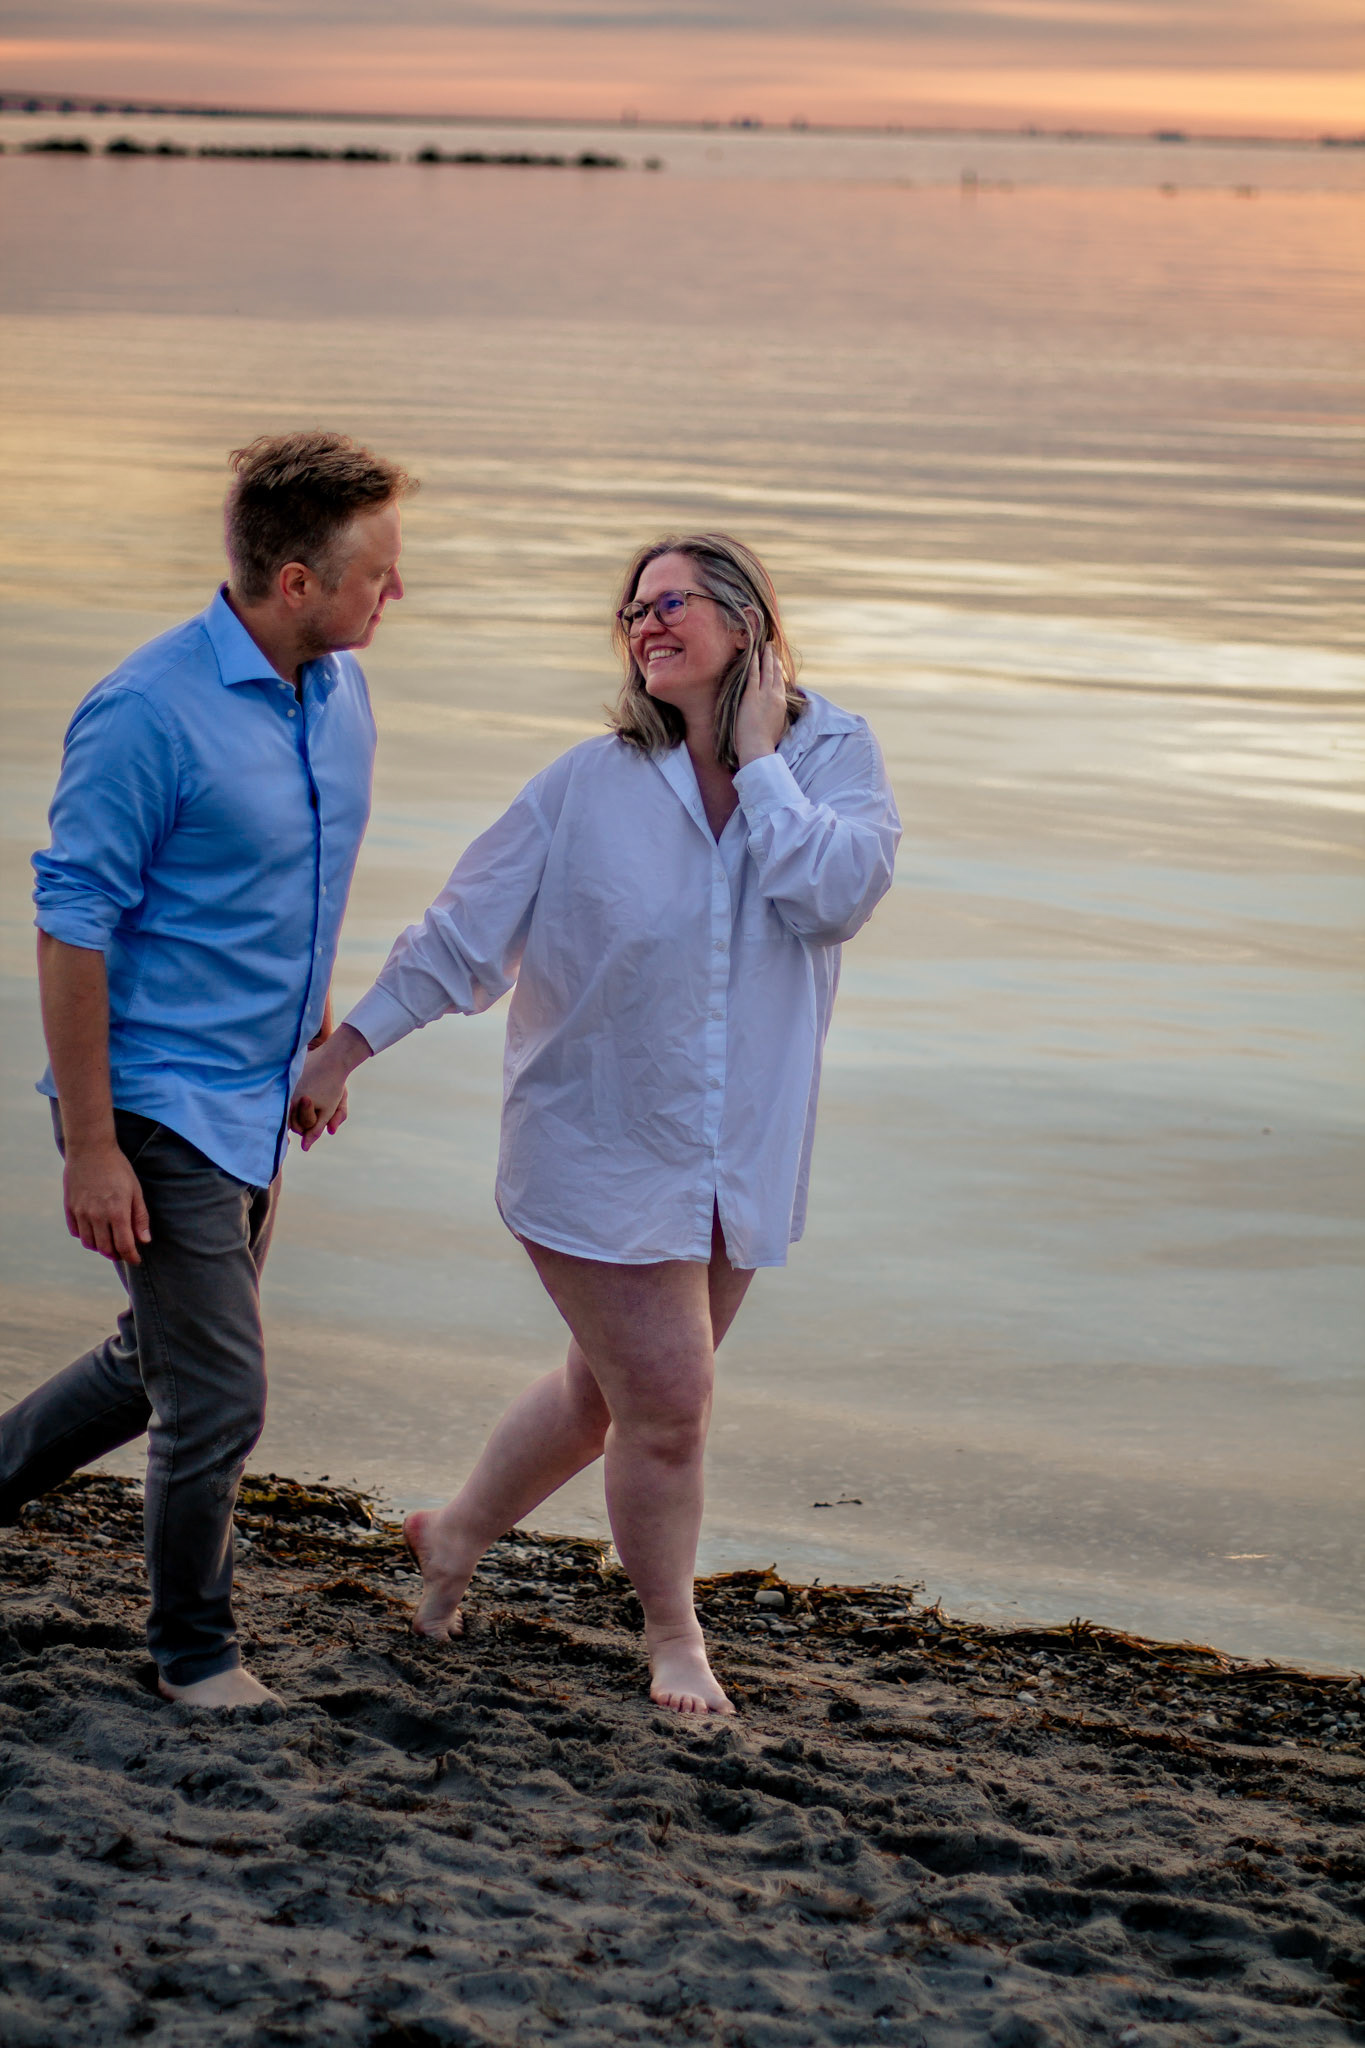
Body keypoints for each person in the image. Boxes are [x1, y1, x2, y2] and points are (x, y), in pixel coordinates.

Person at [295, 533, 900, 1716]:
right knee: (669, 1403)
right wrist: (344, 1050)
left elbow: (831, 896)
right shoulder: (588, 781)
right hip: (595, 1138)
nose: (645, 624)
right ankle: (675, 1637)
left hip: (738, 1150)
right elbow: (463, 935)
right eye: (634, 610)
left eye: (671, 602)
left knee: (604, 1395)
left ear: (746, 618)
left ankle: (453, 1533)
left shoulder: (834, 754)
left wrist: (760, 761)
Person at [0, 431, 411, 1708]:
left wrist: (319, 1040)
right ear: (295, 582)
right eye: (377, 573)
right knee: (220, 1395)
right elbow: (70, 927)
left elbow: (291, 880)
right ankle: (195, 1653)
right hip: (156, 1099)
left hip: (256, 1096)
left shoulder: (338, 693)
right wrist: (91, 1145)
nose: (396, 592)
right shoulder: (147, 711)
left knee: (157, 1363)